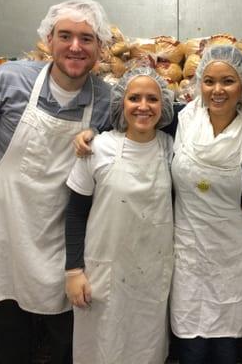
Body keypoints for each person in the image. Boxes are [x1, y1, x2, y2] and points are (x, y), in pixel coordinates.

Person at [0, 0, 113, 364]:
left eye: (86, 39)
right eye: (65, 36)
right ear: (48, 40)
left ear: (100, 48)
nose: (75, 47)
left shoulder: (104, 98)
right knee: (8, 337)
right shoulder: (9, 78)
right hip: (5, 225)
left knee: (65, 339)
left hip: (60, 231)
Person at [64, 67, 174, 364]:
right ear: (120, 103)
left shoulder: (169, 148)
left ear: (163, 105)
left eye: (152, 98)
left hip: (151, 276)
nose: (143, 106)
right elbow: (75, 212)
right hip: (103, 275)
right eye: (134, 97)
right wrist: (73, 271)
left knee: (145, 351)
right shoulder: (98, 148)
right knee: (101, 350)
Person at [170, 44, 242, 364]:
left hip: (230, 254)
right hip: (187, 250)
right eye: (209, 81)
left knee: (225, 347)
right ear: (199, 85)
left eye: (228, 81)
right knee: (191, 345)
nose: (217, 90)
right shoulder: (179, 122)